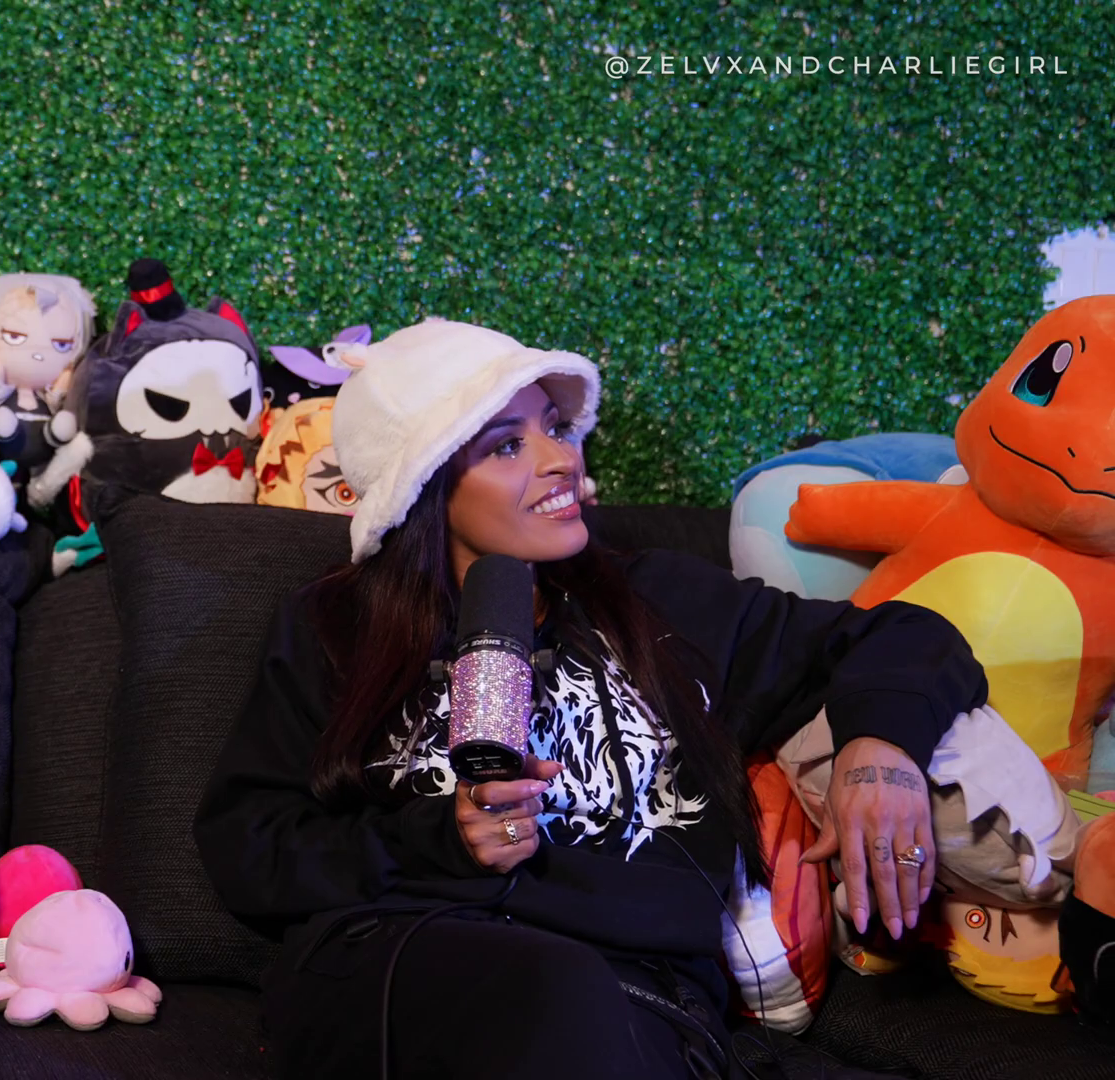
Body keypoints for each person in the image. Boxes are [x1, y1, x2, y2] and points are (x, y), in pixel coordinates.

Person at [194, 319, 987, 1080]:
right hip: (399, 964)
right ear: (425, 490)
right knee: (553, 992)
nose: (560, 460)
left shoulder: (665, 602)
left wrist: (881, 752)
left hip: (635, 1000)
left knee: (578, 1004)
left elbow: (909, 636)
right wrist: (438, 840)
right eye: (507, 445)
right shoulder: (336, 625)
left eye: (554, 427)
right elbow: (248, 846)